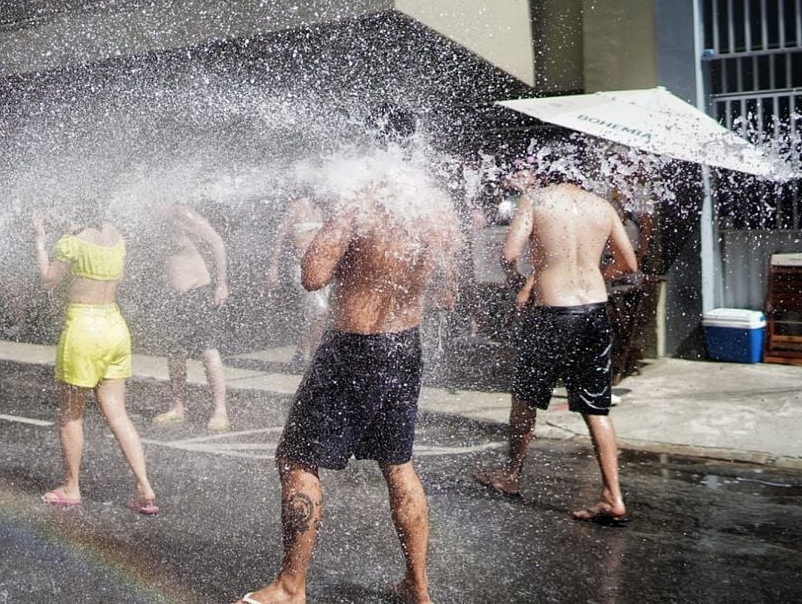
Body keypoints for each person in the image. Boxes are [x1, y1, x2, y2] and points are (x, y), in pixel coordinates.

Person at [237, 146, 462, 604]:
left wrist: (340, 217)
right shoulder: (433, 209)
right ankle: (418, 588)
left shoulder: (361, 206)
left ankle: (290, 587)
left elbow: (313, 275)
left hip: (354, 349)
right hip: (405, 346)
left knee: (297, 458)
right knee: (398, 466)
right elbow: (447, 291)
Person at [473, 161, 638, 527]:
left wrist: (522, 281)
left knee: (525, 397)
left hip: (551, 315)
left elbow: (508, 254)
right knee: (596, 407)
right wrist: (596, 274)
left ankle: (511, 475)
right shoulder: (602, 206)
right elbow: (629, 264)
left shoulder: (535, 201)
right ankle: (613, 496)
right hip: (594, 312)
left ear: (549, 172)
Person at [33, 207, 157, 515]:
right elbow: (120, 278)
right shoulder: (117, 240)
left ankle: (71, 487)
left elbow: (48, 280)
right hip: (115, 327)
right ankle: (144, 486)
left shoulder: (71, 243)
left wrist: (40, 242)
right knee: (118, 415)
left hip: (83, 330)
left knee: (71, 415)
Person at [152, 203, 231, 431]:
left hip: (196, 292)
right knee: (175, 353)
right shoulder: (157, 221)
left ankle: (220, 411)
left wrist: (222, 283)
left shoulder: (182, 214)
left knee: (208, 351)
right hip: (175, 297)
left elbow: (217, 241)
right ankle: (178, 408)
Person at [266, 194, 331, 366]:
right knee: (321, 311)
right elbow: (280, 238)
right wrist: (273, 267)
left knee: (313, 314)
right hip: (302, 266)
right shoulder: (296, 207)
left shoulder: (323, 207)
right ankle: (315, 355)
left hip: (323, 267)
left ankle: (302, 353)